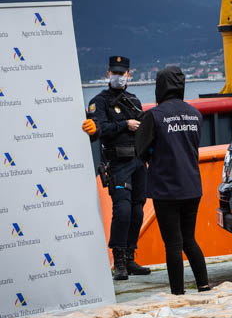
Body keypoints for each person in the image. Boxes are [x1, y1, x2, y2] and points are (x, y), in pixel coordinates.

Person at [135, 67, 209, 295]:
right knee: (189, 239)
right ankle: (203, 285)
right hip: (192, 185)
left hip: (166, 188)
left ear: (160, 86)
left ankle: (178, 293)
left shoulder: (155, 116)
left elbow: (140, 149)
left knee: (173, 244)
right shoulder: (195, 114)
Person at [87, 56, 151, 281]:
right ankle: (119, 261)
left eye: (122, 73)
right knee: (122, 211)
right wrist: (125, 124)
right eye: (114, 73)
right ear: (108, 74)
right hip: (117, 162)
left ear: (128, 75)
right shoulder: (99, 101)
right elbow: (99, 129)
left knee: (137, 212)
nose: (118, 77)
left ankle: (130, 257)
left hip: (138, 161)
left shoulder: (133, 100)